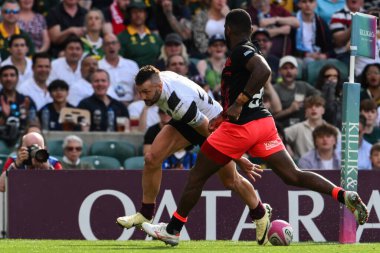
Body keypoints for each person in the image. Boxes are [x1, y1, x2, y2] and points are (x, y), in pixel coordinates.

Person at [141, 9, 368, 247]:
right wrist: (222, 114)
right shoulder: (247, 51)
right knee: (293, 175)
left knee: (197, 177)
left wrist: (239, 103)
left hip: (241, 127)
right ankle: (343, 195)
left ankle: (173, 230)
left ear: (227, 30)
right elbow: (249, 80)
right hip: (263, 124)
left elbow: (265, 70)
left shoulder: (242, 51)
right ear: (250, 30)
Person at [116, 65, 271, 245]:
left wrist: (238, 157)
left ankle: (260, 214)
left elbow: (207, 130)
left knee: (230, 180)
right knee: (151, 159)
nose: (142, 97)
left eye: (146, 92)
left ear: (159, 87)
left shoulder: (178, 101)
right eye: (140, 92)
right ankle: (145, 214)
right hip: (189, 120)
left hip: (212, 125)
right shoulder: (159, 80)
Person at [273, 55, 320, 128]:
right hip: (282, 127)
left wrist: (307, 101)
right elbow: (271, 117)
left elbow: (319, 96)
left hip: (304, 126)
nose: (289, 71)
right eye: (285, 68)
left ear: (297, 71)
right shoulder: (274, 89)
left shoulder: (303, 85)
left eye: (292, 68)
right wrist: (290, 110)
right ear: (280, 71)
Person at [0, 65, 37, 147]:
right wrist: (5, 116)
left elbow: (35, 125)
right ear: (0, 79)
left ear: (17, 78)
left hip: (22, 140)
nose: (9, 79)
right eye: (5, 75)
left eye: (12, 75)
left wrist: (28, 116)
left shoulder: (26, 100)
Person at [315, 64, 343, 129]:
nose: (332, 78)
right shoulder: (316, 94)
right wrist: (330, 87)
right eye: (328, 76)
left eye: (335, 76)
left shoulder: (342, 94)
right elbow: (329, 110)